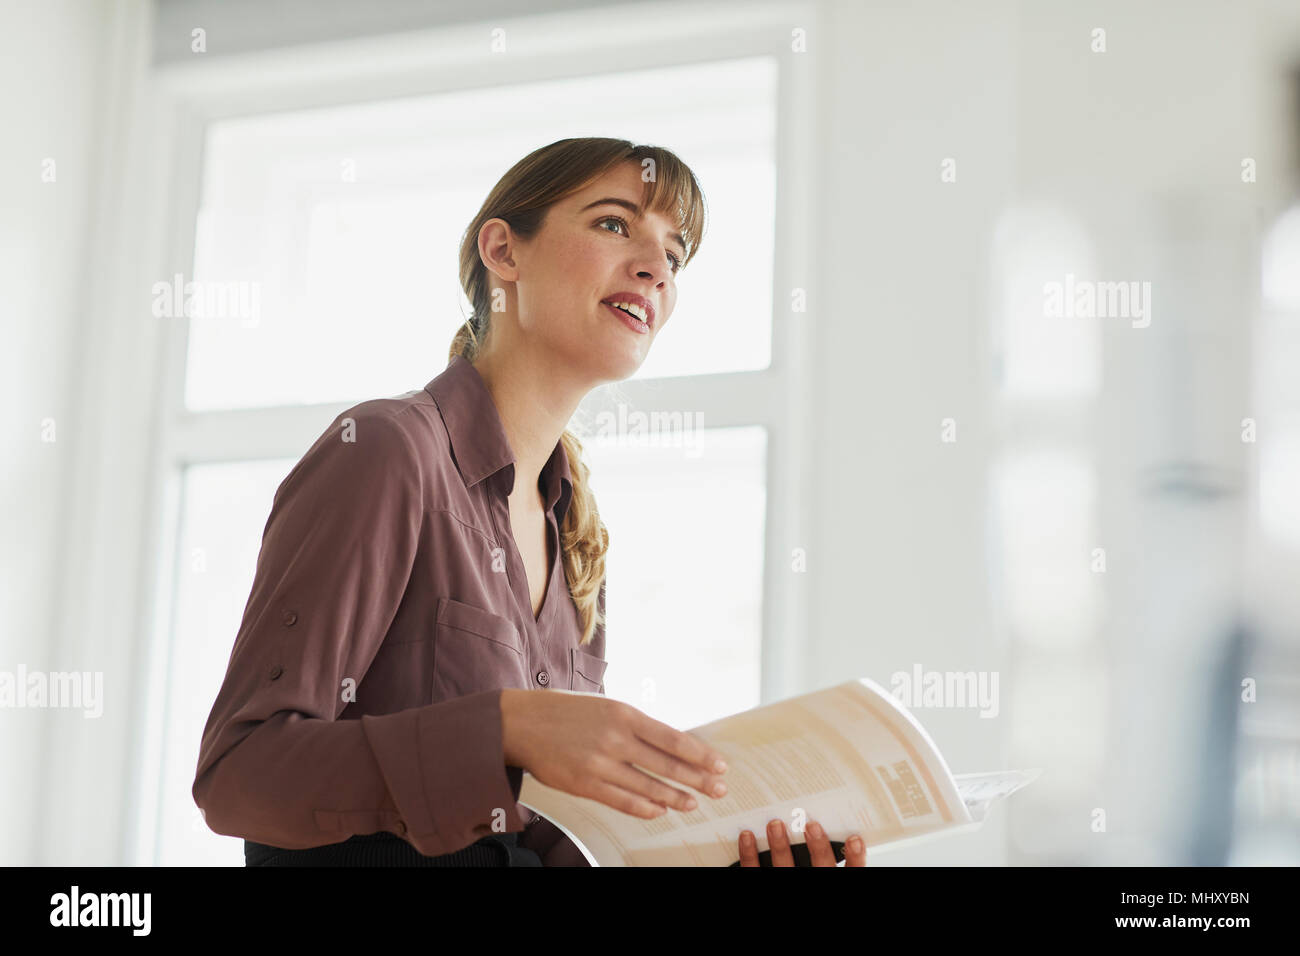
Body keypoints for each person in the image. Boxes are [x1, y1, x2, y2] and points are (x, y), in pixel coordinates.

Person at [192, 136, 866, 867]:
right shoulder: (386, 451)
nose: (654, 268)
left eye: (674, 255)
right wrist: (504, 726)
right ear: (504, 253)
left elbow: (543, 841)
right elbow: (240, 773)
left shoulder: (578, 541)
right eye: (615, 224)